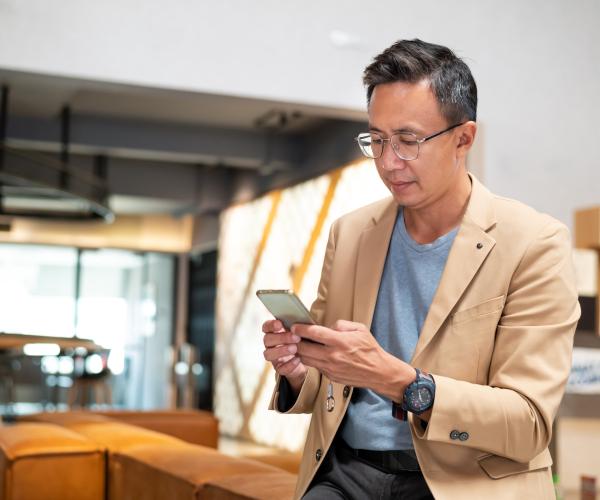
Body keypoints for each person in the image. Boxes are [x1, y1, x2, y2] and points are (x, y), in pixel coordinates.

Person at [261, 39, 580, 499]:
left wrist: (399, 381)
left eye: (408, 141)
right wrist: (297, 367)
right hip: (347, 472)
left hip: (461, 483)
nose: (389, 163)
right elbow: (327, 383)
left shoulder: (535, 243)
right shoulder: (350, 233)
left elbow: (528, 423)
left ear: (463, 138)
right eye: (377, 140)